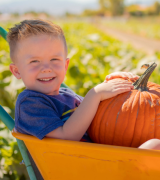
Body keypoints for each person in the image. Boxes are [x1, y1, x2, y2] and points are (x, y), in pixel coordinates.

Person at [8, 19, 139, 142]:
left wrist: (110, 84)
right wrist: (95, 94)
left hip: (94, 157)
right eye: (34, 61)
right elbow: (66, 137)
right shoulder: (30, 104)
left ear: (65, 65)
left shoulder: (68, 95)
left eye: (54, 59)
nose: (46, 68)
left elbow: (96, 115)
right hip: (67, 165)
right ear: (17, 71)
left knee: (154, 145)